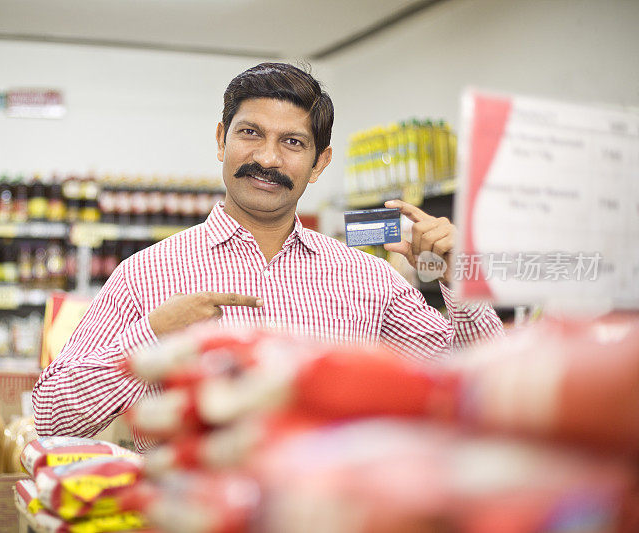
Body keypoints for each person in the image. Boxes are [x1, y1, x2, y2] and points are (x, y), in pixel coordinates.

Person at [32, 63, 504, 444]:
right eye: (250, 133)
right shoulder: (146, 273)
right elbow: (53, 418)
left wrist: (458, 279)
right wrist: (153, 333)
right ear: (221, 139)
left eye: (292, 142)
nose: (268, 159)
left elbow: (477, 390)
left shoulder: (366, 277)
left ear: (320, 163)